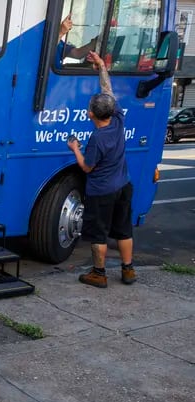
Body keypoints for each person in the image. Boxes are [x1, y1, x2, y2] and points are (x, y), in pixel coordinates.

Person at [68, 51, 136, 288]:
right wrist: (101, 66)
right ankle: (128, 271)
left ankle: (99, 273)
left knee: (99, 234)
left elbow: (87, 167)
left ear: (91, 114)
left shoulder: (97, 138)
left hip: (103, 192)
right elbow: (107, 89)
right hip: (124, 185)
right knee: (123, 230)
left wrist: (75, 148)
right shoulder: (117, 118)